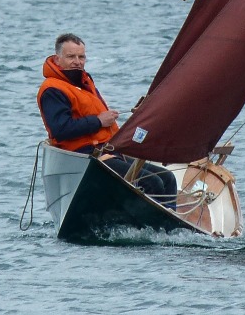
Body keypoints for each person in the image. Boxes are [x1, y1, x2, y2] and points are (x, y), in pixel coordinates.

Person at [37, 33, 178, 210]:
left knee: (168, 178)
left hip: (108, 151)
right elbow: (60, 129)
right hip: (86, 157)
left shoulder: (83, 82)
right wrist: (98, 121)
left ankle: (169, 229)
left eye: (81, 57)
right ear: (57, 60)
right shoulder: (52, 89)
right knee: (151, 182)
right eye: (71, 56)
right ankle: (153, 226)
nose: (77, 61)